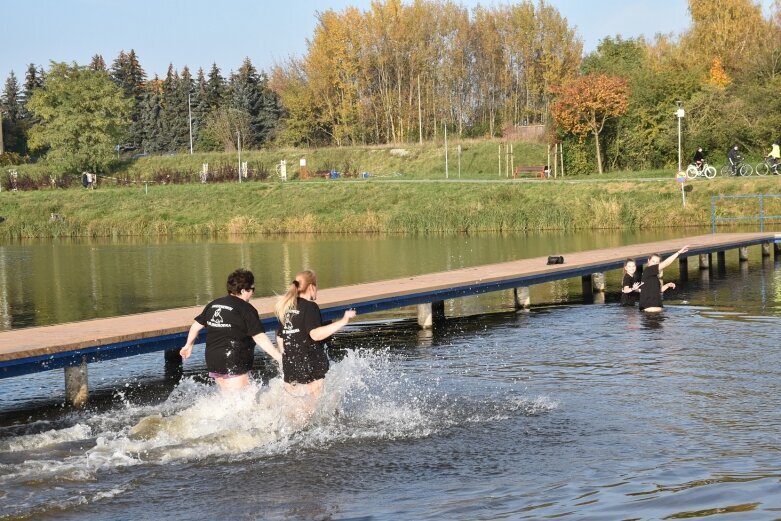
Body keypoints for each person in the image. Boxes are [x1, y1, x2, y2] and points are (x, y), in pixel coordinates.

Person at [180, 268, 282, 391]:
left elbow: (196, 325)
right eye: (252, 290)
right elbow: (259, 336)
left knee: (228, 400)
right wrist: (279, 357)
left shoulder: (214, 304)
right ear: (244, 290)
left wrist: (188, 345)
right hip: (234, 359)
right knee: (241, 400)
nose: (253, 294)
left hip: (213, 359)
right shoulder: (246, 309)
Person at [275, 270, 356, 399]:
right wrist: (343, 320)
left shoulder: (286, 307)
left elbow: (280, 339)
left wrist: (286, 361)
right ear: (311, 287)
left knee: (296, 413)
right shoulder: (310, 307)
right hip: (311, 370)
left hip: (290, 372)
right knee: (315, 412)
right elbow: (315, 335)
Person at [638, 246, 689, 312]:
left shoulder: (653, 277)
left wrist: (667, 285)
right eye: (653, 261)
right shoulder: (648, 270)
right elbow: (665, 263)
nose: (655, 264)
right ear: (648, 261)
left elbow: (658, 291)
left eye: (657, 262)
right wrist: (678, 253)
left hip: (657, 311)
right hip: (649, 311)